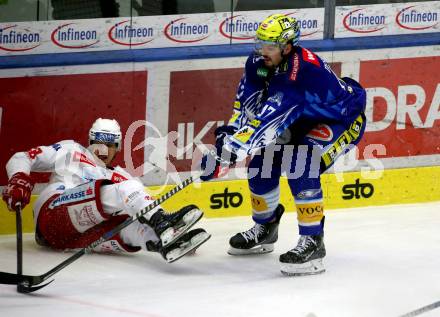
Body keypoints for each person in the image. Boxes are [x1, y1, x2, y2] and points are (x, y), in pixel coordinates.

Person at [201, 14, 366, 276]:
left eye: (270, 46)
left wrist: (231, 151)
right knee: (260, 166)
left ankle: (313, 242)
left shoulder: (301, 72)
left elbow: (268, 121)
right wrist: (223, 144)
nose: (262, 51)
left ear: (287, 47)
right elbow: (246, 108)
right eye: (260, 44)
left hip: (340, 121)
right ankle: (265, 228)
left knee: (301, 163)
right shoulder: (258, 63)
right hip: (301, 117)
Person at [2, 118, 210, 263]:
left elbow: (140, 203)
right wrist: (19, 178)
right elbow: (23, 157)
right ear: (91, 141)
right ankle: (162, 222)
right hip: (53, 216)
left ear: (118, 147)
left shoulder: (120, 176)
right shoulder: (71, 150)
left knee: (131, 227)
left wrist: (173, 232)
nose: (104, 149)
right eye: (99, 142)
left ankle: (164, 242)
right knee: (127, 188)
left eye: (110, 144)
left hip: (75, 239)